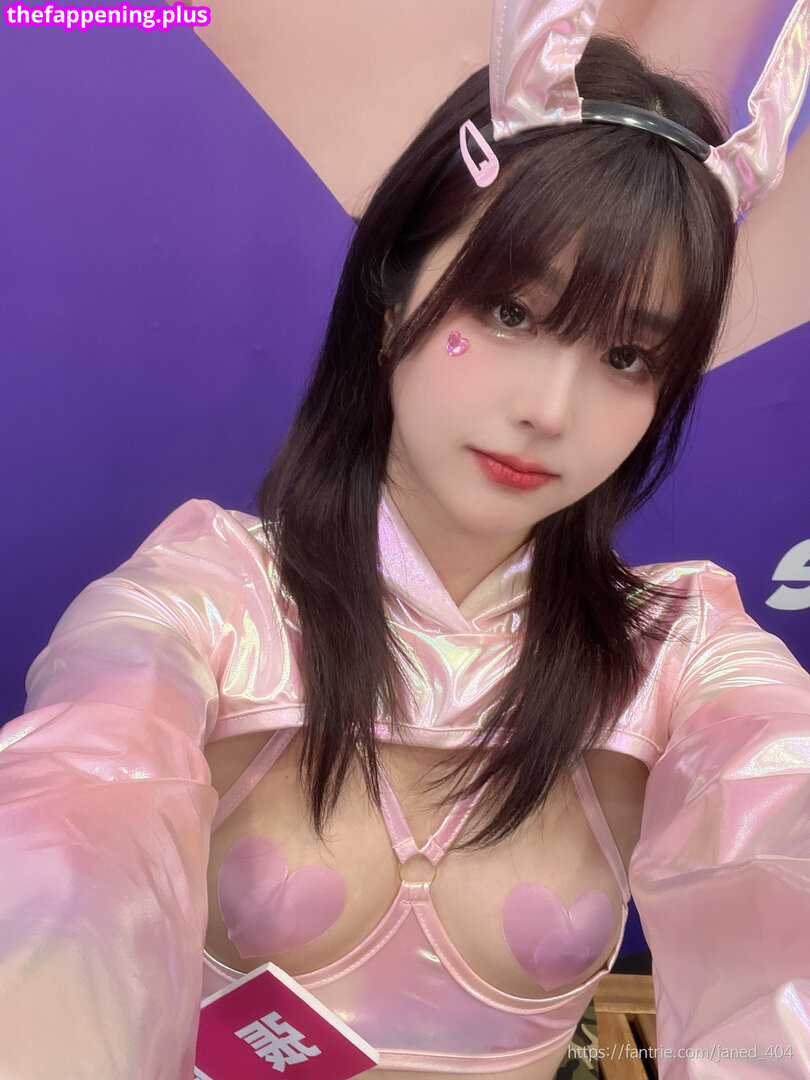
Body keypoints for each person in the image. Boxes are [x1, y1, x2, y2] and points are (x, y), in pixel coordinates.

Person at [2, 2, 810, 1078]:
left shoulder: (678, 653)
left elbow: (784, 832)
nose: (549, 410)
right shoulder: (202, 607)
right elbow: (67, 838)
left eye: (627, 357)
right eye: (512, 313)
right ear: (394, 294)